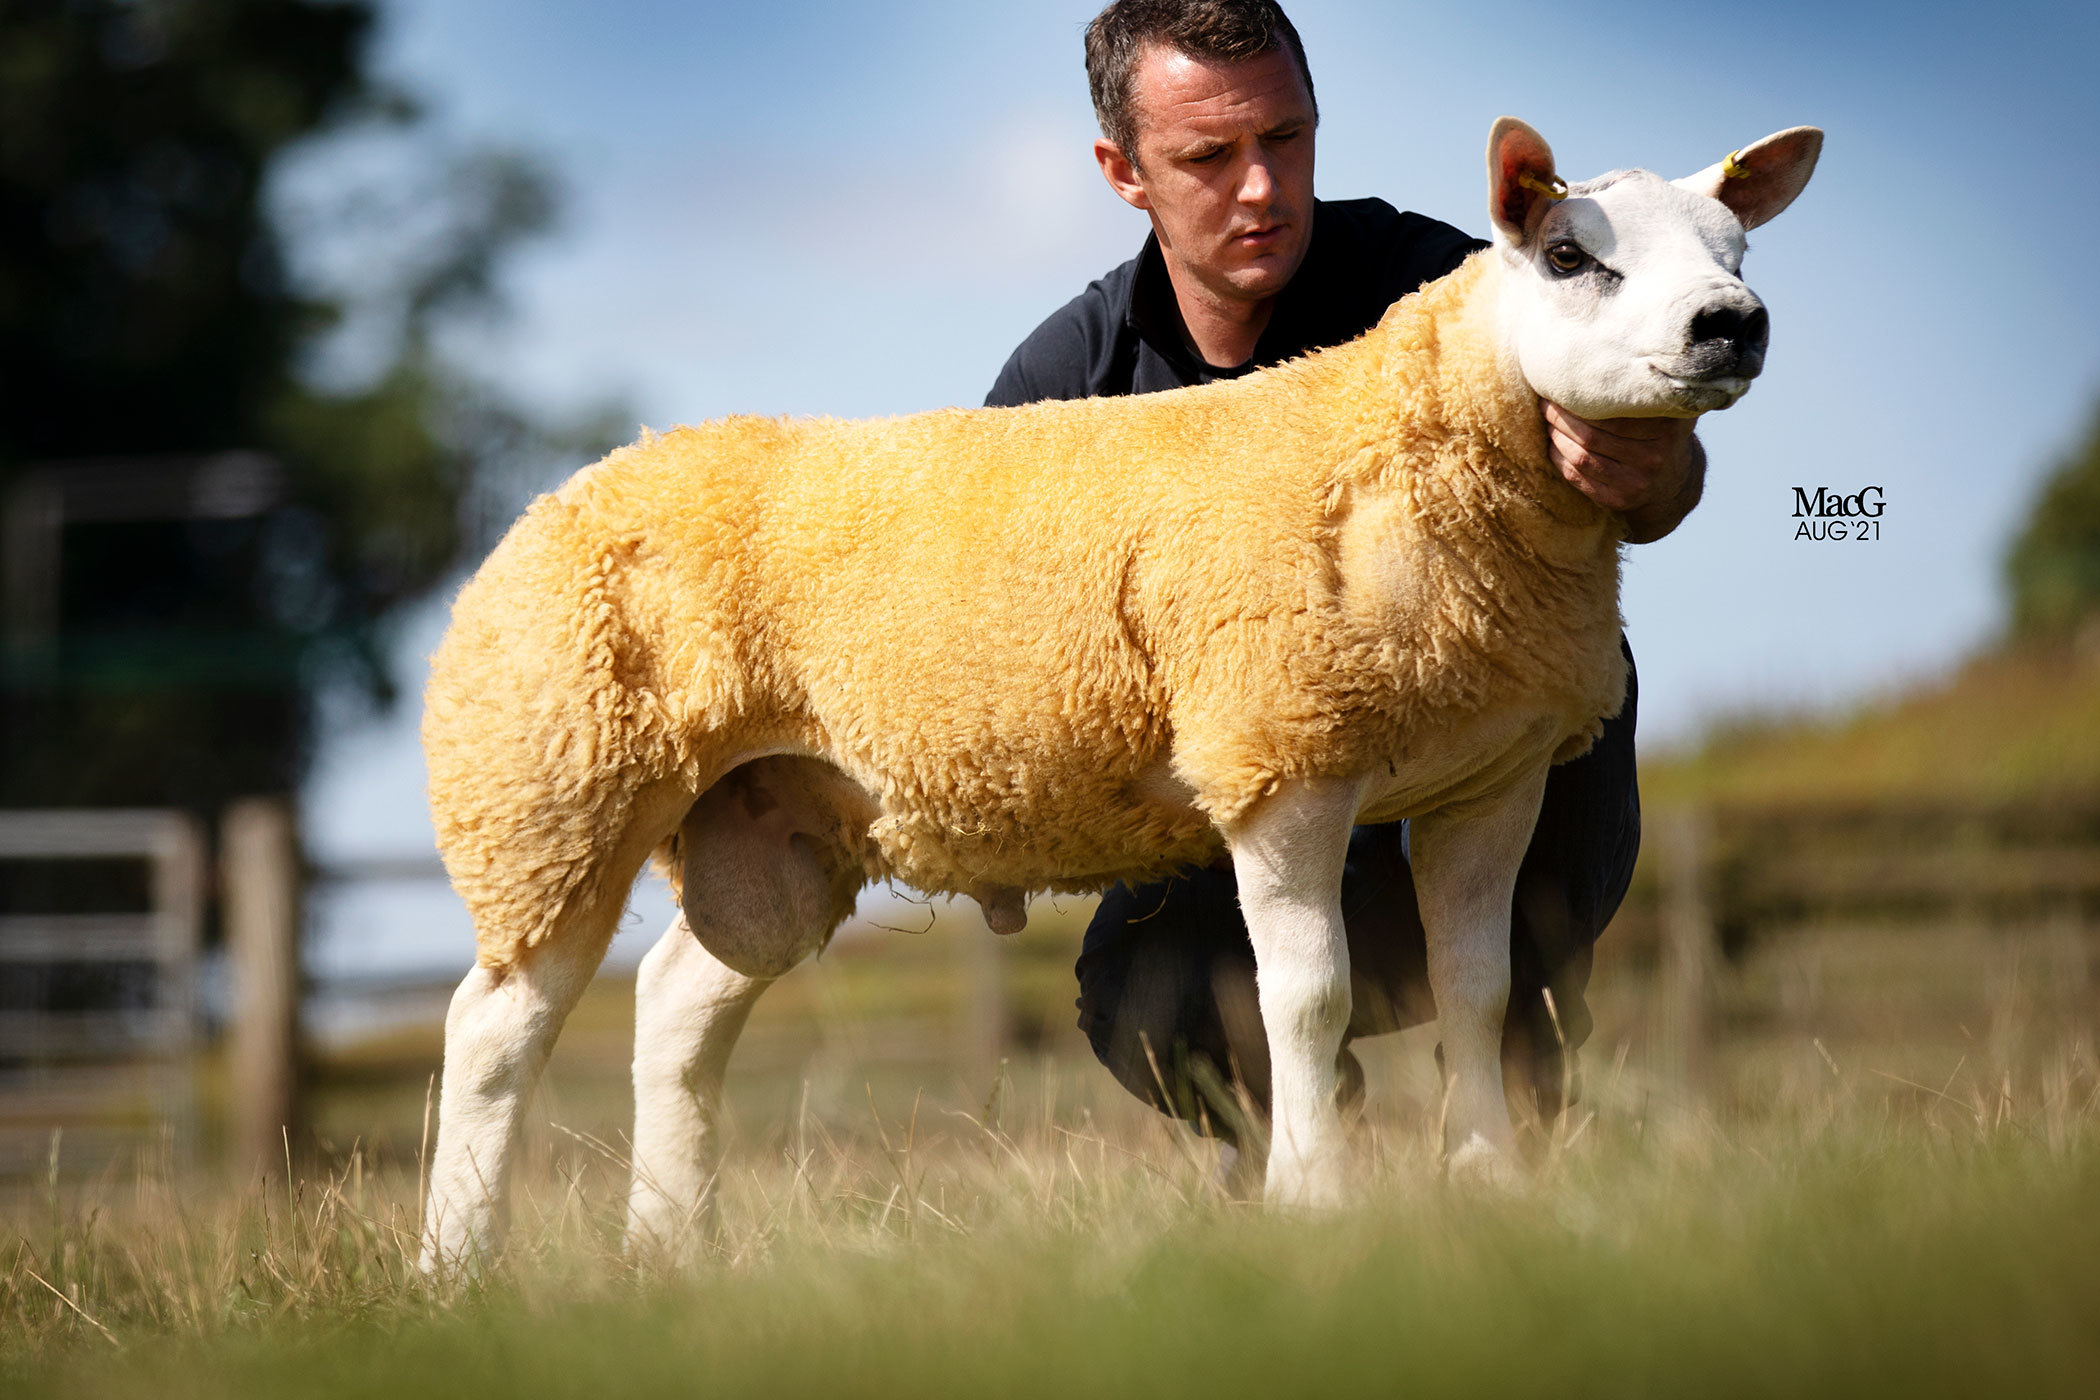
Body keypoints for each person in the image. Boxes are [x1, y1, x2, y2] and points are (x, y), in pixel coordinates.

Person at [985, 0, 1703, 1156]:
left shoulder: (1451, 295)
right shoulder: (1069, 385)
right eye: (1210, 158)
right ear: (1124, 171)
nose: (1262, 187)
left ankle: (1517, 1132)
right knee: (1135, 991)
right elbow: (995, 630)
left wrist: (1649, 458)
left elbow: (1658, 498)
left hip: (1477, 786)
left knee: (1557, 724)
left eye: (1285, 138)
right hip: (1247, 822)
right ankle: (1314, 1173)